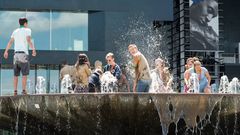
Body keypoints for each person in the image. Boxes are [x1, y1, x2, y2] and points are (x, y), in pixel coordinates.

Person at [3, 17, 36, 96]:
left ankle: (15, 91)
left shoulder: (15, 31)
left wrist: (6, 51)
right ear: (25, 23)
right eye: (27, 23)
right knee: (24, 74)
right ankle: (24, 91)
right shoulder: (27, 30)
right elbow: (28, 40)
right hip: (23, 55)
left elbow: (10, 42)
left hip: (16, 55)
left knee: (16, 74)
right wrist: (33, 49)